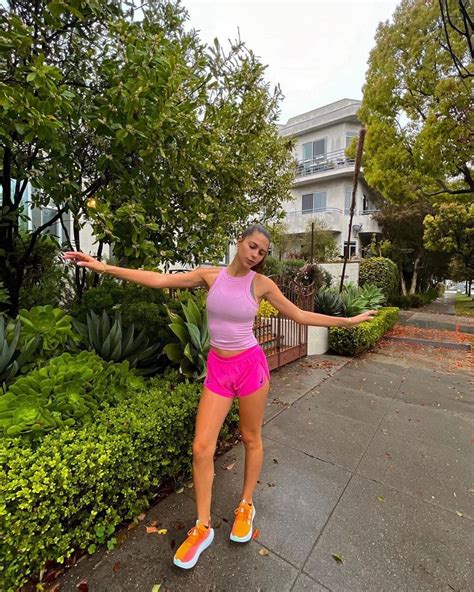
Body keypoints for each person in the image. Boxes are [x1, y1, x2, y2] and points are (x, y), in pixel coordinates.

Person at [64, 224, 377, 570]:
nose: (256, 255)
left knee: (250, 437)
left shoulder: (261, 285)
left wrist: (348, 321)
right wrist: (104, 267)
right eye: (252, 246)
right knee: (201, 447)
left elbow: (299, 315)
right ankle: (203, 527)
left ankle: (246, 504)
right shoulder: (209, 276)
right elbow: (160, 280)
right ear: (240, 241)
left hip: (250, 368)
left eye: (262, 252)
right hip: (218, 370)